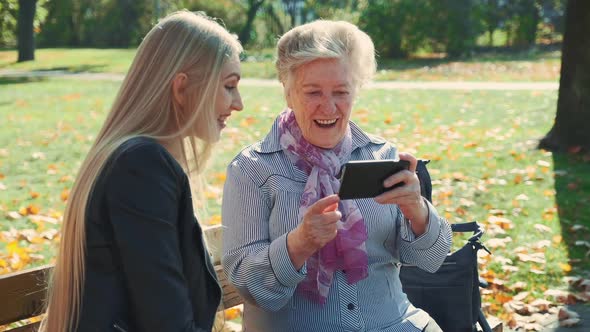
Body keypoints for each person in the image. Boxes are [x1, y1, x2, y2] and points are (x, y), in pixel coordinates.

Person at [221, 20, 452, 332]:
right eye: (313, 92)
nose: (328, 106)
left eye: (341, 92)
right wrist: (299, 244)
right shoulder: (253, 169)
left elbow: (430, 260)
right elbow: (248, 285)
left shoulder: (380, 155)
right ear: (288, 93)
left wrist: (418, 211)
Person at [40, 11, 243, 332]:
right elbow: (167, 322)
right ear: (181, 89)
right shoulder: (141, 168)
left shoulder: (136, 159)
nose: (239, 103)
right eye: (229, 86)